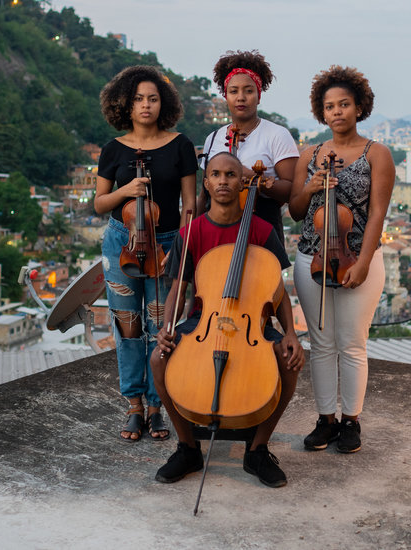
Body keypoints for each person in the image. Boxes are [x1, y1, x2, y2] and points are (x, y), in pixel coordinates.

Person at [150, 152, 304, 488]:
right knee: (158, 359)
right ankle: (187, 447)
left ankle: (258, 450)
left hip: (253, 325)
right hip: (201, 323)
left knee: (289, 361)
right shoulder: (190, 232)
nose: (223, 181)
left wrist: (290, 332)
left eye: (231, 175)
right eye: (216, 174)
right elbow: (179, 286)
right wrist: (167, 327)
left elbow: (276, 291)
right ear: (206, 182)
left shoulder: (262, 231)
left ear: (242, 183)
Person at [288, 66, 394, 454]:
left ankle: (351, 421)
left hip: (357, 257)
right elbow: (296, 211)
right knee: (321, 342)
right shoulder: (310, 155)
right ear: (321, 111)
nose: (337, 112)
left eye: (344, 104)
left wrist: (363, 261)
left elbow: (377, 213)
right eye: (329, 106)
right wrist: (310, 185)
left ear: (358, 106)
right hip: (311, 258)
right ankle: (325, 419)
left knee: (352, 343)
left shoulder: (376, 154)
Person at [94, 66, 198, 442]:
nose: (145, 105)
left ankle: (158, 408)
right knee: (127, 326)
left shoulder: (181, 145)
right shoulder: (113, 148)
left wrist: (181, 247)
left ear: (163, 103)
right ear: (126, 103)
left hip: (169, 241)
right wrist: (126, 191)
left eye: (153, 98)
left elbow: (190, 205)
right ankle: (134, 406)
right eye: (138, 99)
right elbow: (99, 203)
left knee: (162, 326)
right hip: (122, 240)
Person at [201, 50, 299, 240]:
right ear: (225, 97)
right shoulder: (213, 138)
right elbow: (204, 195)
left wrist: (254, 179)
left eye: (248, 90)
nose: (241, 97)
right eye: (233, 91)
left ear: (259, 96)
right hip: (216, 232)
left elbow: (292, 192)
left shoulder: (277, 134)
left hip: (262, 230)